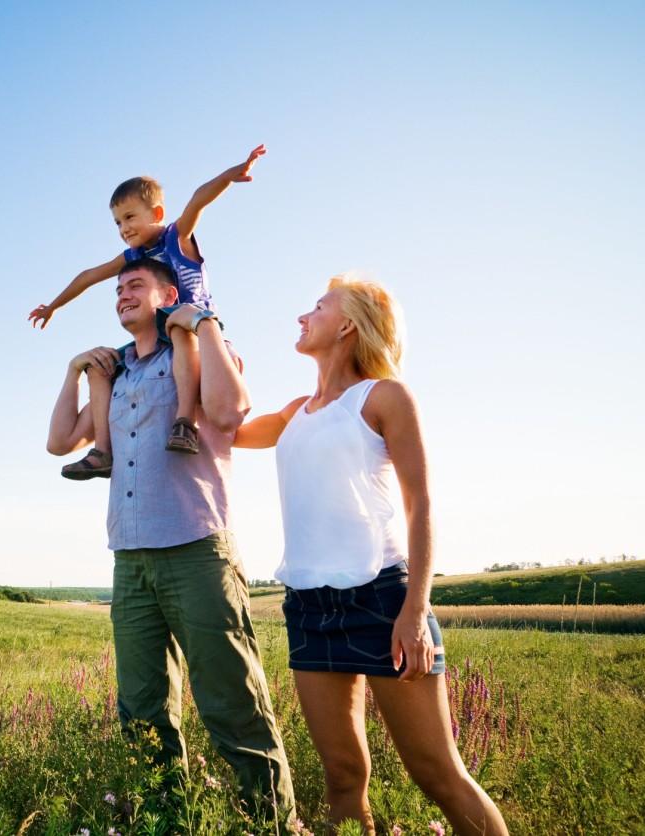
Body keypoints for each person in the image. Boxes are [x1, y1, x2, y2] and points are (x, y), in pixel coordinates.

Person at [233, 276, 509, 835]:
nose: (301, 317)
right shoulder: (294, 413)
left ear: (347, 325)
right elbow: (225, 431)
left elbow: (421, 504)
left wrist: (414, 610)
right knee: (341, 776)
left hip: (383, 598)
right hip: (309, 607)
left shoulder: (384, 397)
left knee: (436, 774)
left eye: (316, 307)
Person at [45, 257, 296, 829]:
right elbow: (60, 441)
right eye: (117, 290)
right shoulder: (118, 373)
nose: (121, 295)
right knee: (141, 711)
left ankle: (271, 825)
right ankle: (166, 822)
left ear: (166, 294)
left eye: (134, 285)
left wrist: (202, 321)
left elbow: (231, 412)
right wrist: (73, 370)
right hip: (130, 558)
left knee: (233, 702)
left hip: (196, 549)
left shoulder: (199, 350)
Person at [31, 144, 267, 478]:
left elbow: (198, 199)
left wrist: (231, 175)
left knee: (177, 327)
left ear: (156, 214)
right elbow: (89, 275)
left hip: (193, 326)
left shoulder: (176, 237)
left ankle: (184, 421)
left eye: (129, 217)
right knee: (101, 367)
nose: (123, 228)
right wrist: (54, 305)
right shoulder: (132, 258)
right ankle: (103, 451)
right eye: (117, 223)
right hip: (156, 336)